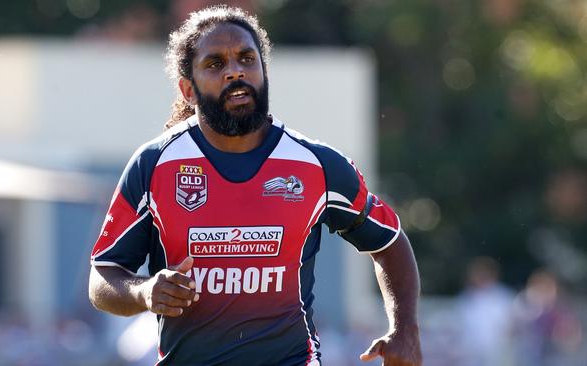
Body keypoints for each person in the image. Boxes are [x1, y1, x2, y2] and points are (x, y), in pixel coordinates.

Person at [88, 5, 422, 365]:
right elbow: (103, 276)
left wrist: (405, 329)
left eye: (247, 59)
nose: (235, 71)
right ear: (188, 90)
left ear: (264, 72)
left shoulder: (316, 165)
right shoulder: (155, 165)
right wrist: (144, 292)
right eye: (215, 64)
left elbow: (389, 242)